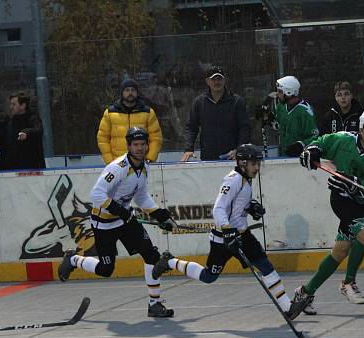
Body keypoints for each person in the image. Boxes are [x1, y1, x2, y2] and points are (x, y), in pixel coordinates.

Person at [152, 144, 307, 320]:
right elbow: (218, 209)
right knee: (209, 276)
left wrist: (251, 207)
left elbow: (236, 206)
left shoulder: (246, 178)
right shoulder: (233, 180)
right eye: (253, 163)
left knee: (265, 266)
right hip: (223, 239)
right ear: (242, 163)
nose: (257, 167)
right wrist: (228, 232)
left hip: (242, 234)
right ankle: (169, 262)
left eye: (258, 163)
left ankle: (288, 307)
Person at [57, 127, 178, 318]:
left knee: (151, 256)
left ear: (147, 145)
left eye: (142, 144)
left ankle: (154, 304)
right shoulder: (118, 168)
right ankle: (72, 259)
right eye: (135, 145)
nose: (139, 148)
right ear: (128, 146)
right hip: (103, 223)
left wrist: (160, 214)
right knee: (106, 270)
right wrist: (120, 211)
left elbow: (141, 196)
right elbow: (96, 194)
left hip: (125, 220)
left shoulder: (145, 167)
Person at [291, 109, 364, 313]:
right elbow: (319, 141)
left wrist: (356, 183)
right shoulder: (343, 138)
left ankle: (305, 291)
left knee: (340, 251)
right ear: (361, 127)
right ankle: (349, 283)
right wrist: (312, 151)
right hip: (342, 199)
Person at [181, 66, 251, 161]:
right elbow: (191, 127)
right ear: (207, 81)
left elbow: (245, 128)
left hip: (233, 157)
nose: (217, 82)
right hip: (208, 157)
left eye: (219, 79)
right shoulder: (199, 102)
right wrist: (188, 149)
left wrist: (240, 149)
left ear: (224, 80)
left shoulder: (237, 101)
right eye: (213, 79)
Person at [97, 79, 162, 164]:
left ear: (137, 93)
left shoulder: (148, 112)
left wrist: (150, 158)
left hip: (142, 163)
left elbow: (156, 138)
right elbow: (102, 139)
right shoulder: (110, 113)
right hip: (117, 163)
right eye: (127, 90)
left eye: (133, 90)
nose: (130, 93)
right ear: (122, 93)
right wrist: (110, 162)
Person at [261, 75, 319, 157]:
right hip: (283, 156)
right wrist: (268, 118)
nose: (277, 94)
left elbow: (315, 137)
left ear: (289, 92)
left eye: (280, 92)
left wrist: (301, 145)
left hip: (300, 158)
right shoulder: (281, 106)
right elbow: (279, 127)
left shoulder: (305, 112)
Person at [4, 91, 45, 170]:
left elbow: (38, 130)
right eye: (10, 104)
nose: (11, 107)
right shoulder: (10, 122)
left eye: (14, 104)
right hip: (14, 169)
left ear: (23, 105)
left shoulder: (33, 119)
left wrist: (27, 133)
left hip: (34, 168)